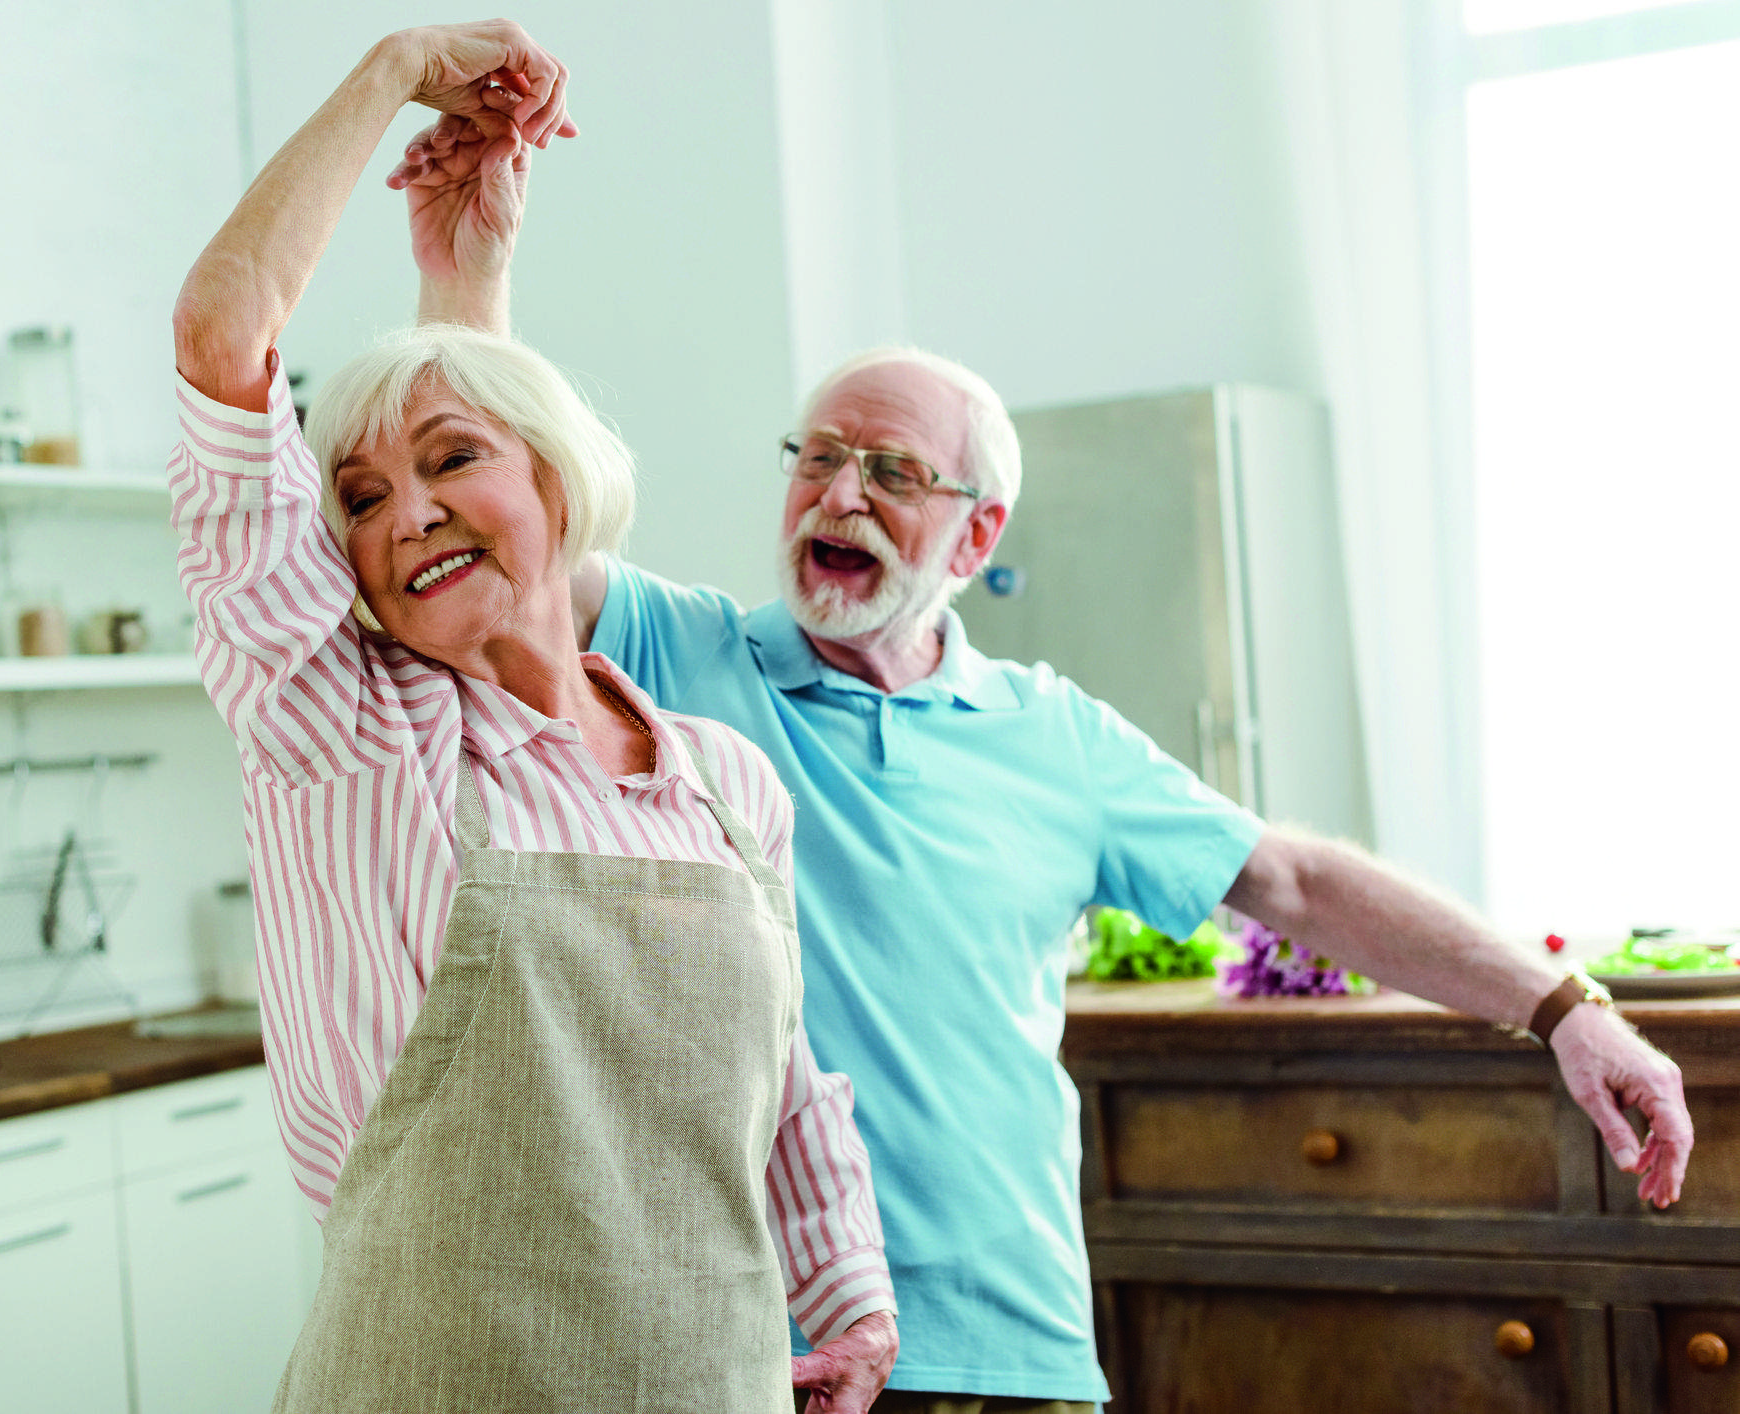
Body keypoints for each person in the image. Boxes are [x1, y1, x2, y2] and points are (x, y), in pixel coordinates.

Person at [390, 111, 1697, 1413]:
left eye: (891, 471)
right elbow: (505, 533)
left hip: (1013, 1348)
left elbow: (1292, 880)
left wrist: (1562, 1007)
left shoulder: (1050, 731)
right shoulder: (678, 658)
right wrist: (467, 275)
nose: (839, 495)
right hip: (750, 1345)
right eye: (820, 458)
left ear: (974, 536)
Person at [168, 22, 899, 1412]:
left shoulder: (726, 785)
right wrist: (394, 71)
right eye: (361, 501)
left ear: (562, 487)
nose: (408, 512)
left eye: (451, 464)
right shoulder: (350, 735)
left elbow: (787, 1089)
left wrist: (852, 1302)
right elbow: (222, 332)